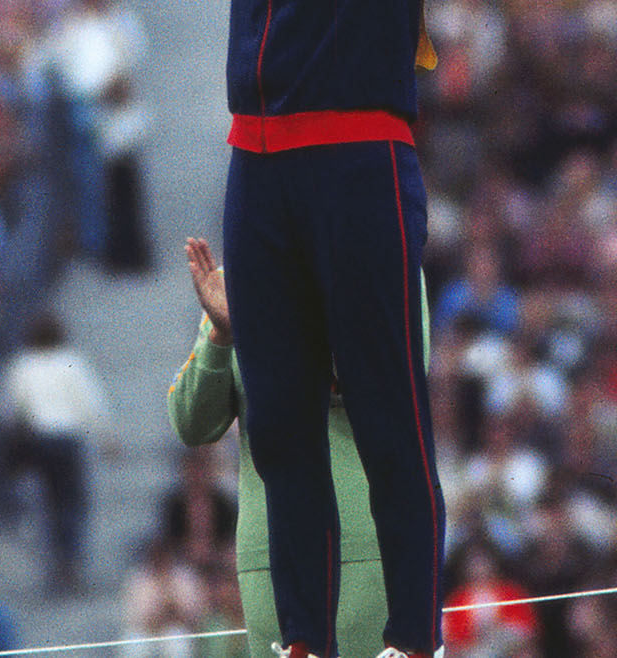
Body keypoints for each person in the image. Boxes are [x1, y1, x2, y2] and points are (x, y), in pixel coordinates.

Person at [0, 0, 561, 658]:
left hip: (358, 169)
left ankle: (412, 640)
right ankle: (301, 641)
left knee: (390, 414)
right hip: (256, 180)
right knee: (280, 427)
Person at [167, 238, 431, 658]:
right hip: (269, 552)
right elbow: (190, 421)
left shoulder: (388, 260)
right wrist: (221, 335)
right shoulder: (239, 281)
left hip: (367, 543)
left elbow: (394, 380)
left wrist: (268, 332)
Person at [0, 311, 116, 591]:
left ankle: (58, 563)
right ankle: (70, 560)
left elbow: (7, 410)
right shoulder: (71, 361)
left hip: (39, 441)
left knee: (49, 503)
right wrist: (107, 437)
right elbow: (90, 402)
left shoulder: (22, 365)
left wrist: (15, 441)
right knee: (72, 502)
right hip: (66, 440)